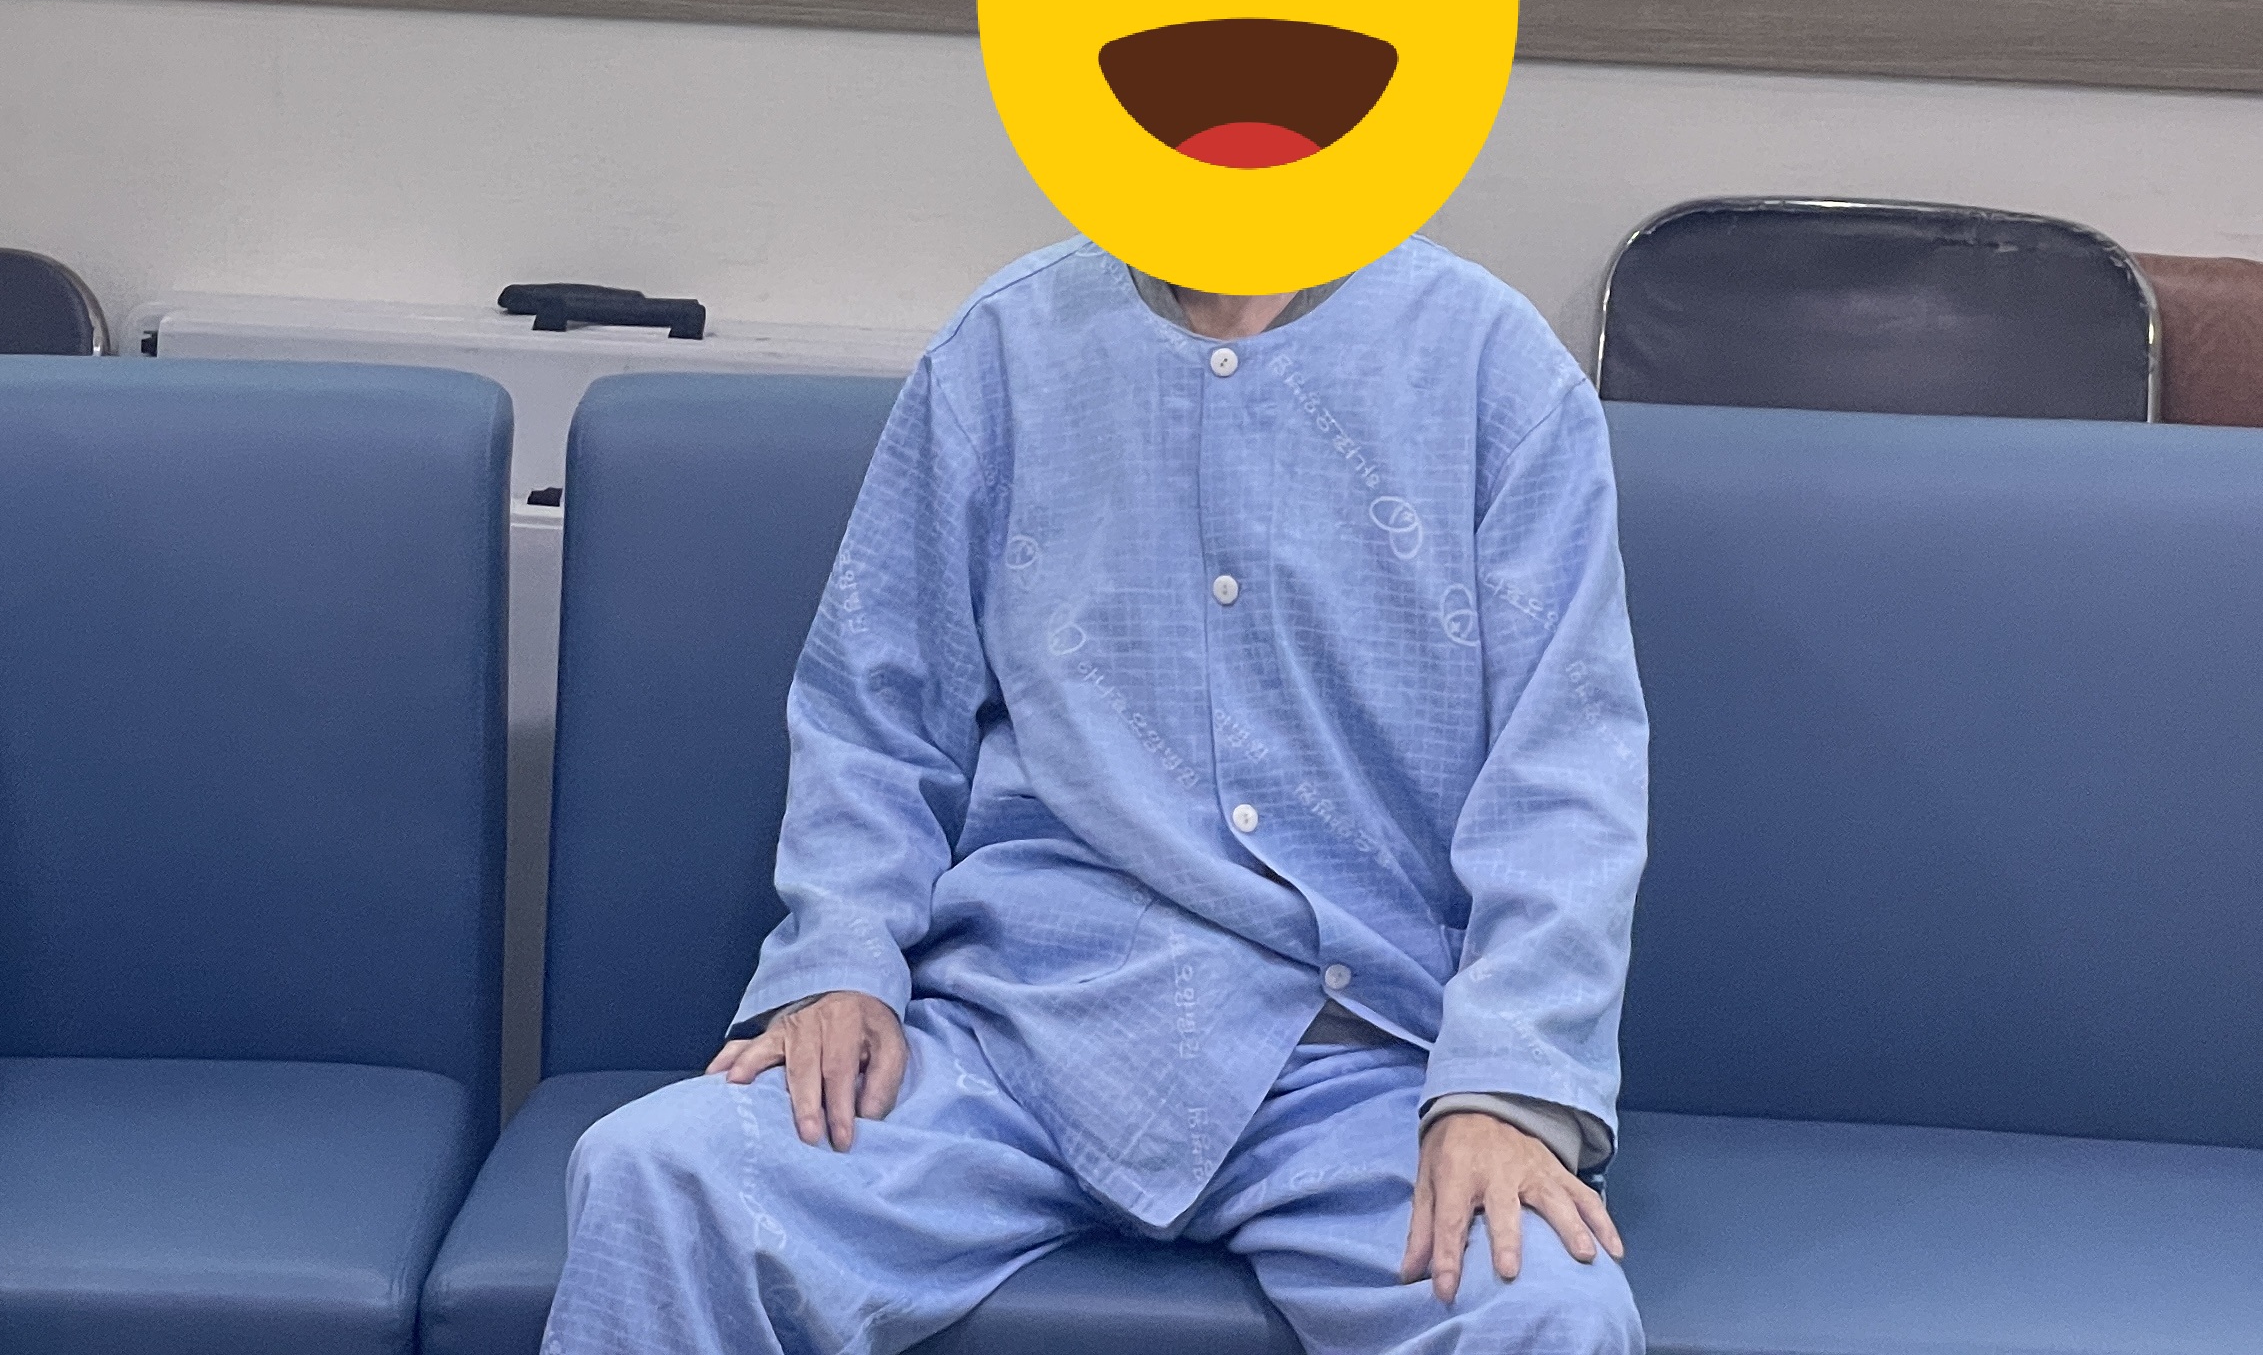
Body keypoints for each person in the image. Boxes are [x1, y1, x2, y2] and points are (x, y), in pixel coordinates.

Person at [544, 237, 1648, 1354]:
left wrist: (1504, 1090)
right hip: (1014, 1032)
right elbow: (876, 709)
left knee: (1548, 1312)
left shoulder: (1495, 366)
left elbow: (1567, 776)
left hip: (1354, 1063)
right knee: (661, 1176)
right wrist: (839, 959)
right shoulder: (1003, 346)